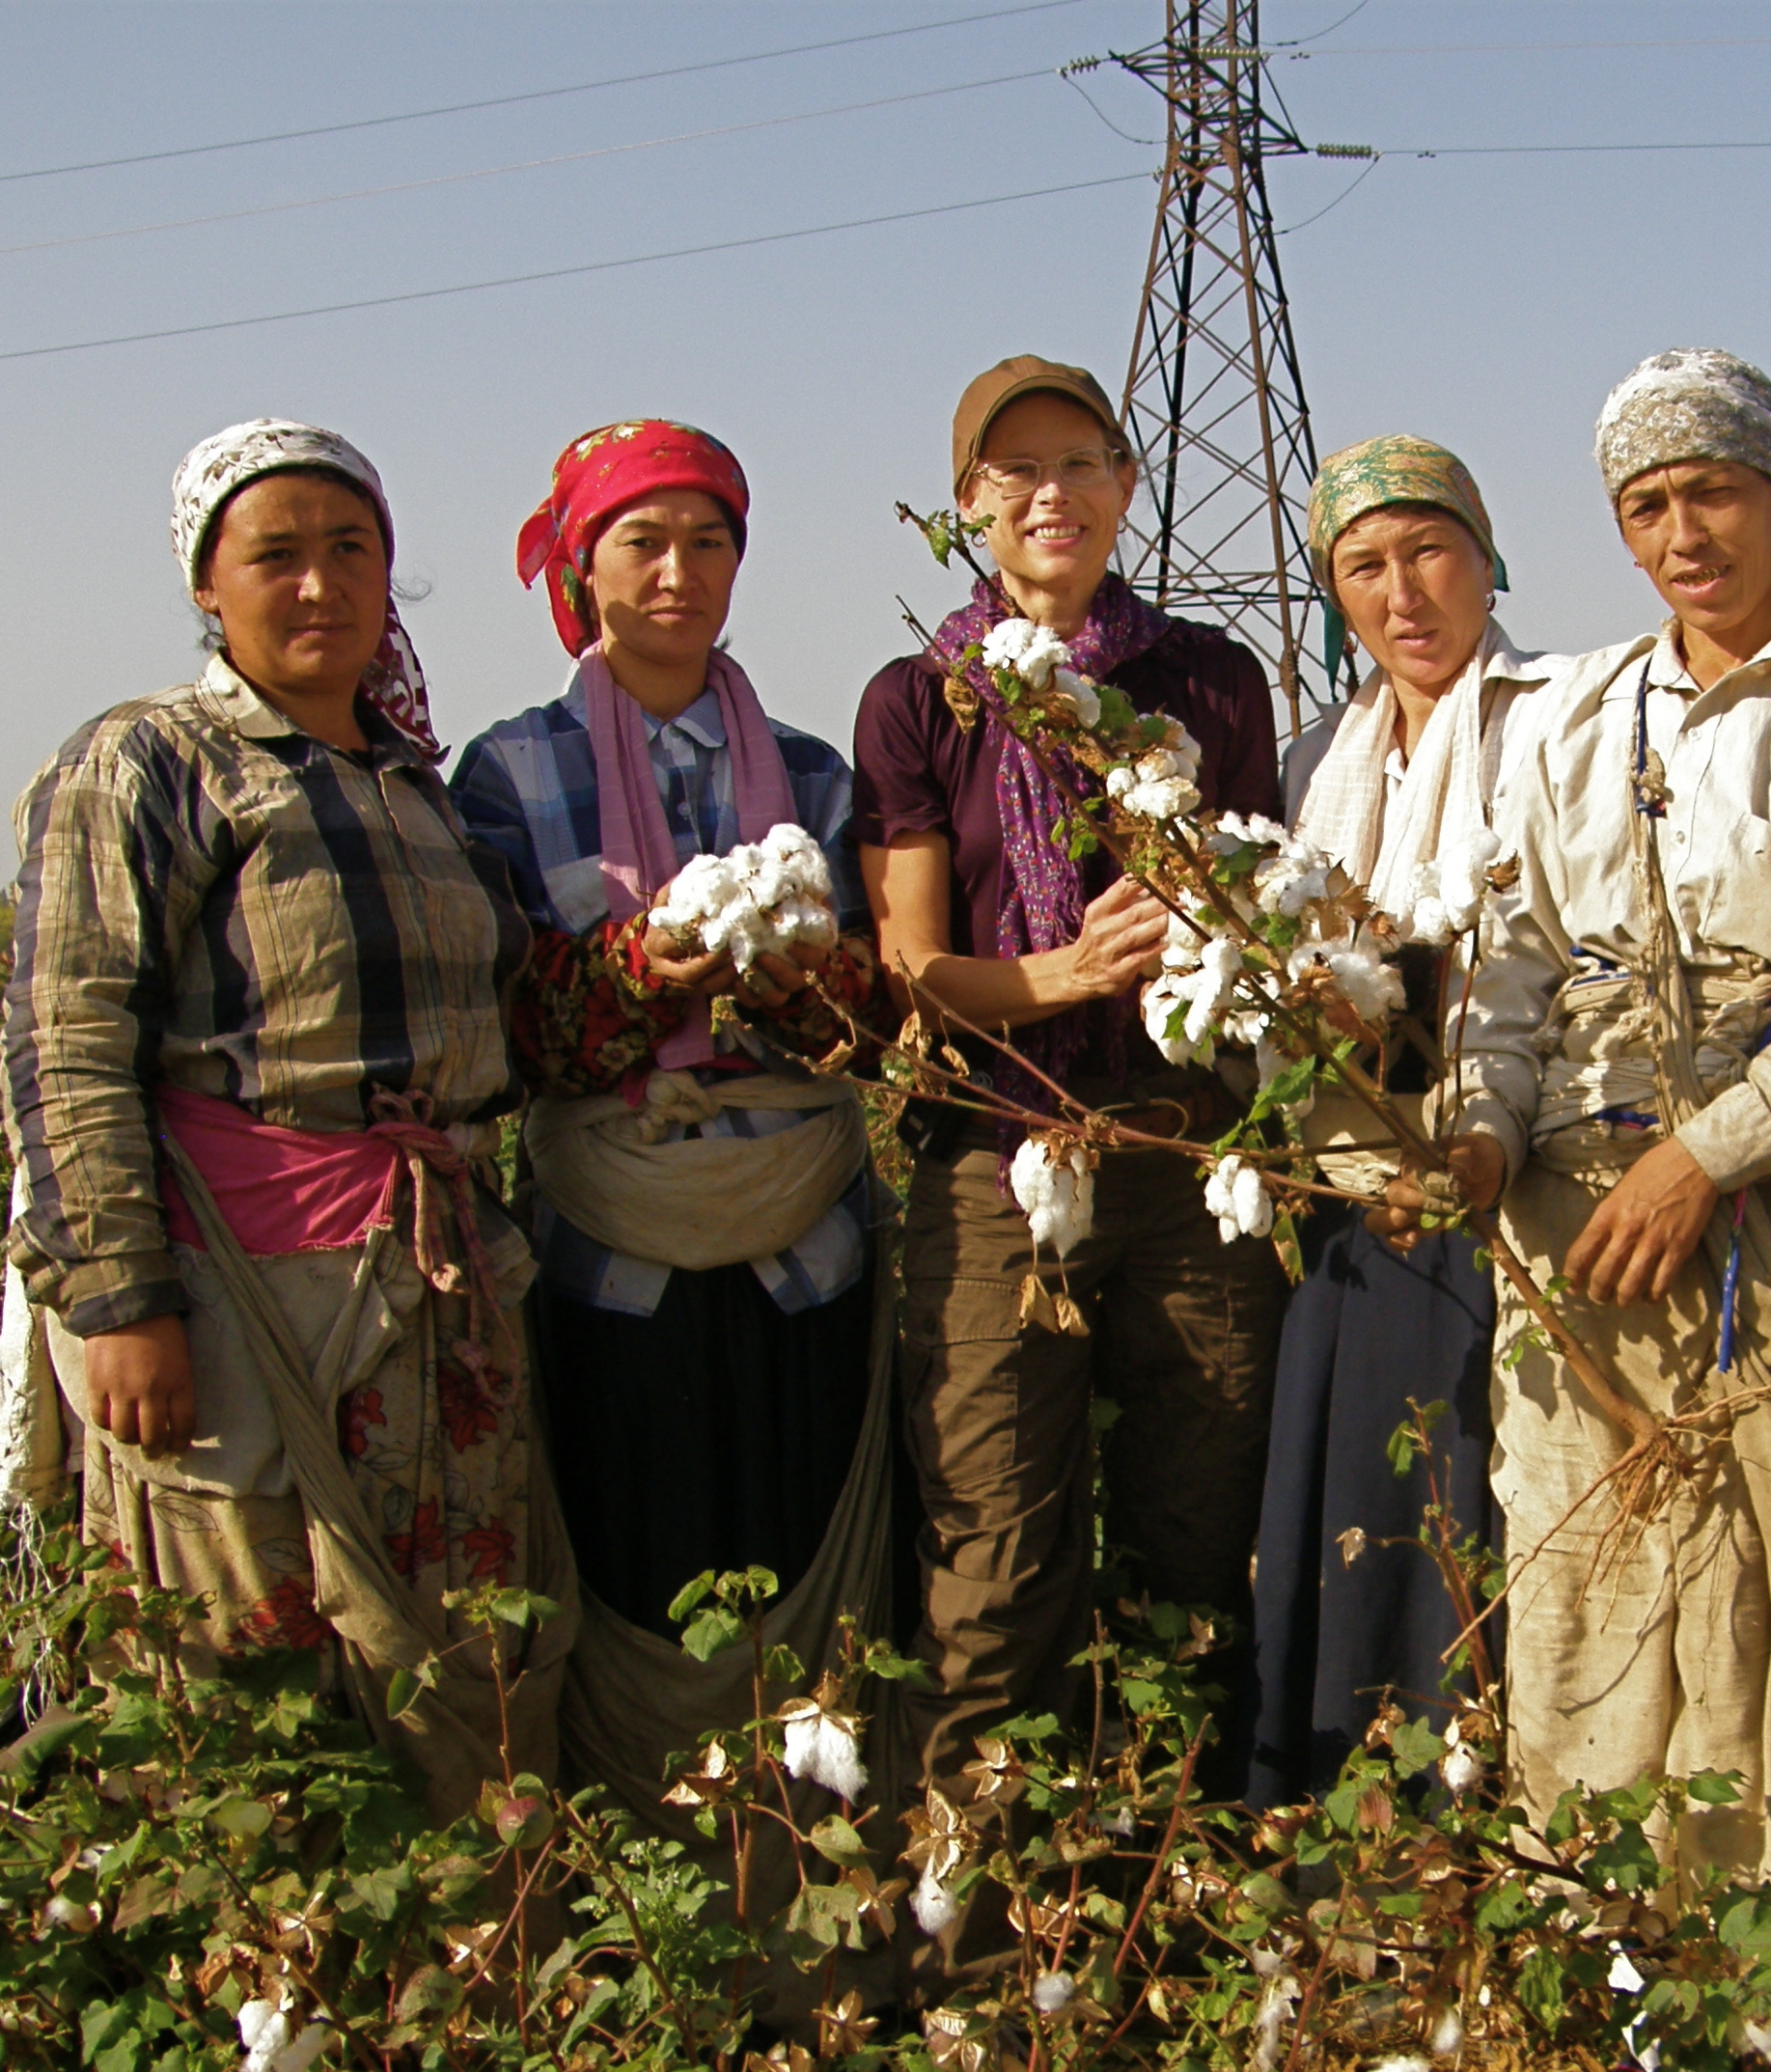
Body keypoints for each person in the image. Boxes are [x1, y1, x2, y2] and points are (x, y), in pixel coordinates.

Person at [1397, 350, 1771, 1995]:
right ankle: (1629, 1981)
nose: (1684, 533)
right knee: (1593, 1590)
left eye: (1714, 493)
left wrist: (1706, 1153)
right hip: (1586, 1246)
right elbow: (1508, 973)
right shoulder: (1573, 719)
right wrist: (1479, 1128)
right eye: (1647, 505)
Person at [0, 420, 571, 1817]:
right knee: (251, 1653)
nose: (319, 585)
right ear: (208, 583)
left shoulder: (411, 787)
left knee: (461, 1651)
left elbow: (506, 1029)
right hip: (241, 1298)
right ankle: (275, 1986)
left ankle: (478, 1982)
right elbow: (67, 1040)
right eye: (276, 556)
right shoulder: (150, 763)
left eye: (349, 550)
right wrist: (121, 1300)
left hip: (431, 1294)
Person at [450, 421, 894, 1836]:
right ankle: (668, 1921)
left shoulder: (817, 779)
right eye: (641, 541)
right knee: (639, 1570)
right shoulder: (509, 776)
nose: (678, 572)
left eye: (709, 542)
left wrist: (814, 986)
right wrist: (648, 972)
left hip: (807, 1245)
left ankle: (823, 1930)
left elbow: (877, 1030)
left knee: (807, 1553)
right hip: (612, 1258)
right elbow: (514, 1030)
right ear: (583, 571)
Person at [853, 357, 1285, 1796]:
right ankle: (976, 1931)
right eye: (1014, 473)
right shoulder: (923, 699)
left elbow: (1265, 908)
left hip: (1181, 1149)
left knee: (1194, 1530)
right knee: (998, 1552)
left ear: (1125, 485)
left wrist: (1211, 919)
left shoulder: (1207, 681)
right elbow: (914, 969)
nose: (1052, 495)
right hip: (997, 1164)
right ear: (970, 504)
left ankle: (1183, 1884)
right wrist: (1062, 978)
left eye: (1080, 464)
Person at [1241, 436, 1563, 1805]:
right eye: (1364, 567)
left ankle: (1496, 1815)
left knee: (1487, 1500)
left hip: (1513, 1178)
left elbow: (1558, 950)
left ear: (1488, 560)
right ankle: (1367, 1814)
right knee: (1364, 1506)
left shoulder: (1562, 720)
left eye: (1429, 551)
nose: (1404, 593)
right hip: (1353, 1193)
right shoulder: (1320, 759)